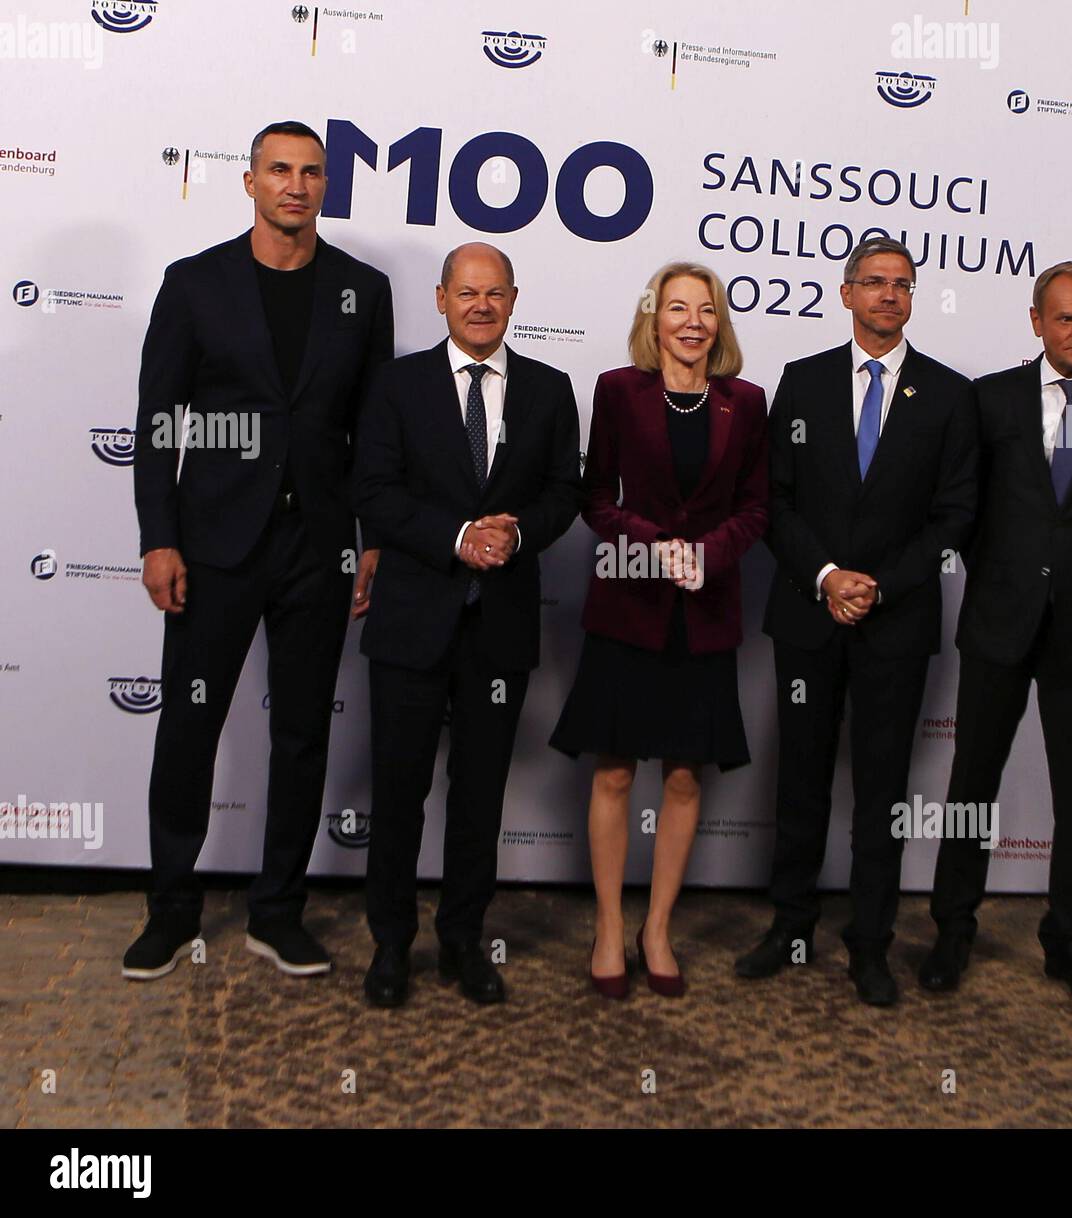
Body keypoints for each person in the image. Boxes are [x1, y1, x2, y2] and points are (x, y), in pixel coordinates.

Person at [124, 121, 394, 981]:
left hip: (319, 548)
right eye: (279, 170)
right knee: (189, 729)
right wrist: (159, 537)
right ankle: (171, 907)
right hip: (213, 549)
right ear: (248, 182)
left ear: (327, 186)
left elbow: (376, 435)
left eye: (312, 172)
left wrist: (372, 540)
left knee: (304, 735)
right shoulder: (196, 284)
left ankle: (278, 912)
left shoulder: (362, 290)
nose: (296, 185)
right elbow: (158, 424)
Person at [735, 237, 978, 1006]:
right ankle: (791, 927)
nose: (888, 296)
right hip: (811, 612)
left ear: (914, 298)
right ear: (845, 295)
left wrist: (881, 585)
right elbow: (774, 500)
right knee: (801, 779)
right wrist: (828, 576)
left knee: (882, 791)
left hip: (895, 623)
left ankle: (869, 943)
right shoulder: (801, 384)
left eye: (901, 285)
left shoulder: (948, 394)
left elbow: (956, 514)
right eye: (873, 283)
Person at [919, 261, 1072, 1005]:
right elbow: (964, 508)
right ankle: (952, 933)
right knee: (971, 786)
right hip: (999, 623)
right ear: (1036, 322)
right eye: (1067, 318)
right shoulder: (990, 400)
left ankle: (1067, 942)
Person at [352, 242, 581, 1008]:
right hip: (413, 621)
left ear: (514, 299)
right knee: (399, 793)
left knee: (478, 796)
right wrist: (457, 537)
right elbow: (375, 491)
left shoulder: (550, 389)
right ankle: (390, 947)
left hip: (500, 628)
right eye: (466, 292)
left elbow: (563, 491)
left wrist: (518, 534)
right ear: (442, 298)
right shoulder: (396, 385)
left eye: (495, 293)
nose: (481, 306)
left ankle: (461, 942)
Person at [550, 262, 769, 999]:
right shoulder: (618, 391)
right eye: (677, 308)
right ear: (655, 317)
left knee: (683, 775)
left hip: (704, 616)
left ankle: (658, 928)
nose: (691, 322)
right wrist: (651, 543)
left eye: (705, 310)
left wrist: (705, 555)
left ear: (720, 323)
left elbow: (756, 508)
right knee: (614, 770)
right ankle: (611, 927)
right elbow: (593, 498)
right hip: (628, 608)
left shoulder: (748, 401)